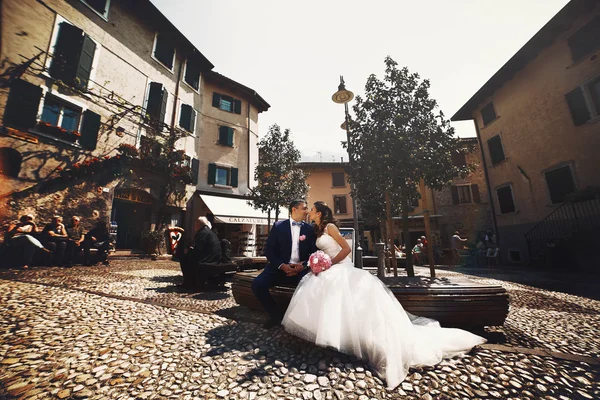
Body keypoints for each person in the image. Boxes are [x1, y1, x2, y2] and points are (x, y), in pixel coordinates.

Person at [282, 201, 485, 389]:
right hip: (329, 268)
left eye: (313, 211)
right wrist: (318, 263)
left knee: (330, 289)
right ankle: (336, 335)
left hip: (341, 267)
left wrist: (329, 264)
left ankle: (353, 340)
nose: (310, 213)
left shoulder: (331, 228)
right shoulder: (317, 230)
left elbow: (346, 249)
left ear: (319, 213)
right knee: (316, 286)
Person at [252, 199, 318, 329]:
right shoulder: (278, 226)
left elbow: (314, 252)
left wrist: (302, 266)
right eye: (304, 208)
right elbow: (269, 251)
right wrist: (282, 266)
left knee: (308, 289)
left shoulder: (310, 229)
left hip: (301, 269)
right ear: (294, 209)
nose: (307, 212)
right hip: (279, 268)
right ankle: (275, 315)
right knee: (257, 285)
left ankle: (300, 321)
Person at [179, 217, 222, 287]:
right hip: (214, 258)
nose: (194, 226)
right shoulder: (209, 232)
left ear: (199, 224)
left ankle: (188, 282)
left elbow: (198, 249)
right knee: (188, 257)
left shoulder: (202, 233)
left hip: (208, 260)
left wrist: (188, 251)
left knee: (184, 259)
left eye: (196, 223)